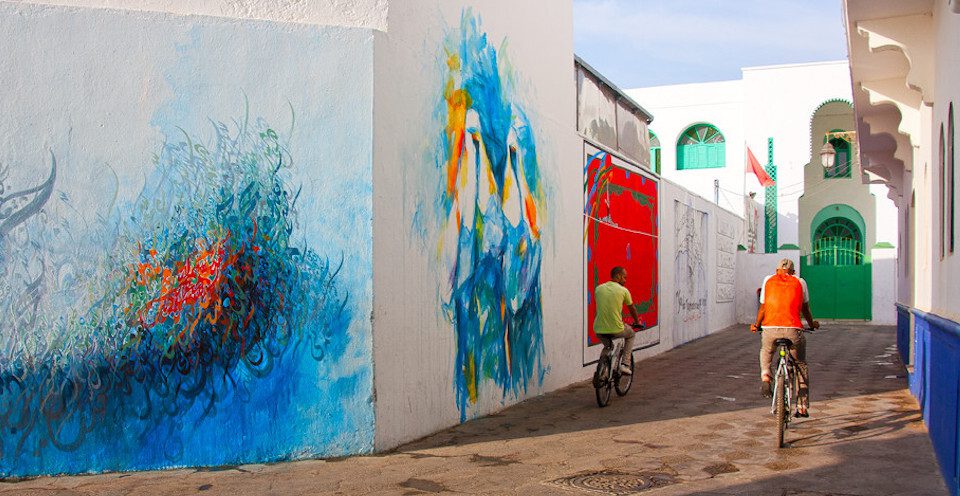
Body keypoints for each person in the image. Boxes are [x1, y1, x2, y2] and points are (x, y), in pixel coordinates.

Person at [751, 258, 819, 417]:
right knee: (800, 364)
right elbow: (805, 309)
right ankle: (802, 406)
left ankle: (766, 375)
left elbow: (763, 308)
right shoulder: (800, 282)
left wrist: (756, 324)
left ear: (776, 271)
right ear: (793, 272)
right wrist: (812, 324)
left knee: (767, 350)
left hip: (770, 329)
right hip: (793, 329)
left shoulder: (768, 280)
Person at [594, 266, 643, 377]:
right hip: (616, 328)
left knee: (608, 347)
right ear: (618, 276)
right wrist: (637, 322)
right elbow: (632, 309)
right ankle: (625, 364)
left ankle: (601, 372)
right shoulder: (623, 290)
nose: (625, 280)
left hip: (599, 329)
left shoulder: (599, 289)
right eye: (624, 277)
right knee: (631, 334)